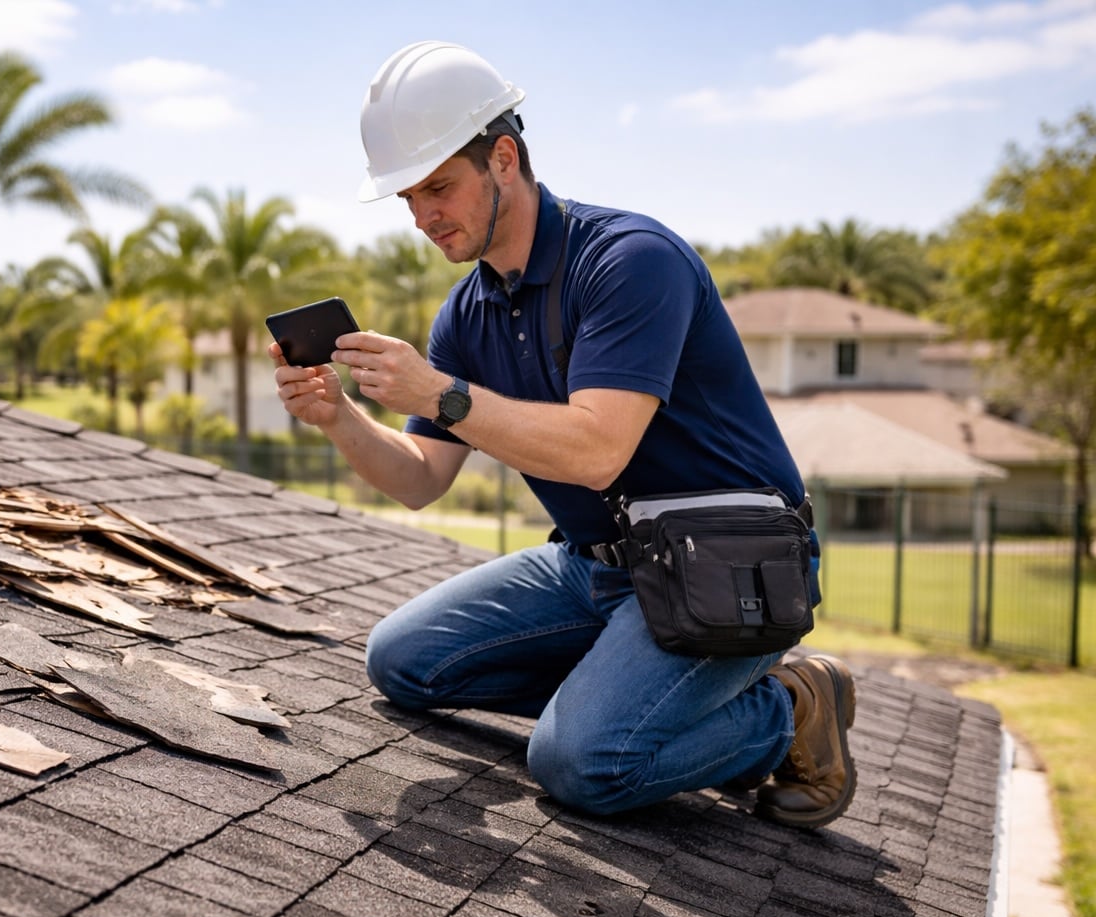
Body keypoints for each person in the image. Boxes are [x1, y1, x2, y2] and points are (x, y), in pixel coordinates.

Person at [271, 40, 856, 829]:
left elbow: (595, 450)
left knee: (581, 765)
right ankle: (621, 697)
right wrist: (341, 416)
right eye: (407, 198)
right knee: (401, 664)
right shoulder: (467, 314)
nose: (423, 217)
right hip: (594, 568)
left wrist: (441, 393)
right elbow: (419, 479)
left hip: (726, 568)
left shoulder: (630, 261)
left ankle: (787, 707)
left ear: (503, 158)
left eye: (438, 187)